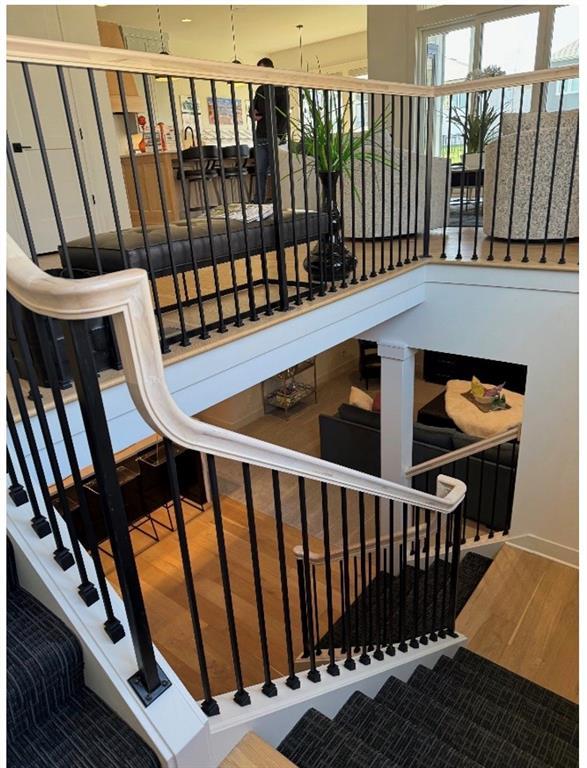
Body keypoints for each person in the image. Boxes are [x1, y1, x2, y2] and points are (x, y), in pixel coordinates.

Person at [251, 57, 289, 204]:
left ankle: (279, 201)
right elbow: (252, 108)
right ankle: (258, 202)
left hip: (275, 136)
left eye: (262, 70)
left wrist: (279, 135)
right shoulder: (260, 90)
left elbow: (284, 115)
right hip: (260, 136)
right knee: (260, 171)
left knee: (276, 171)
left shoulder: (281, 90)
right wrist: (252, 113)